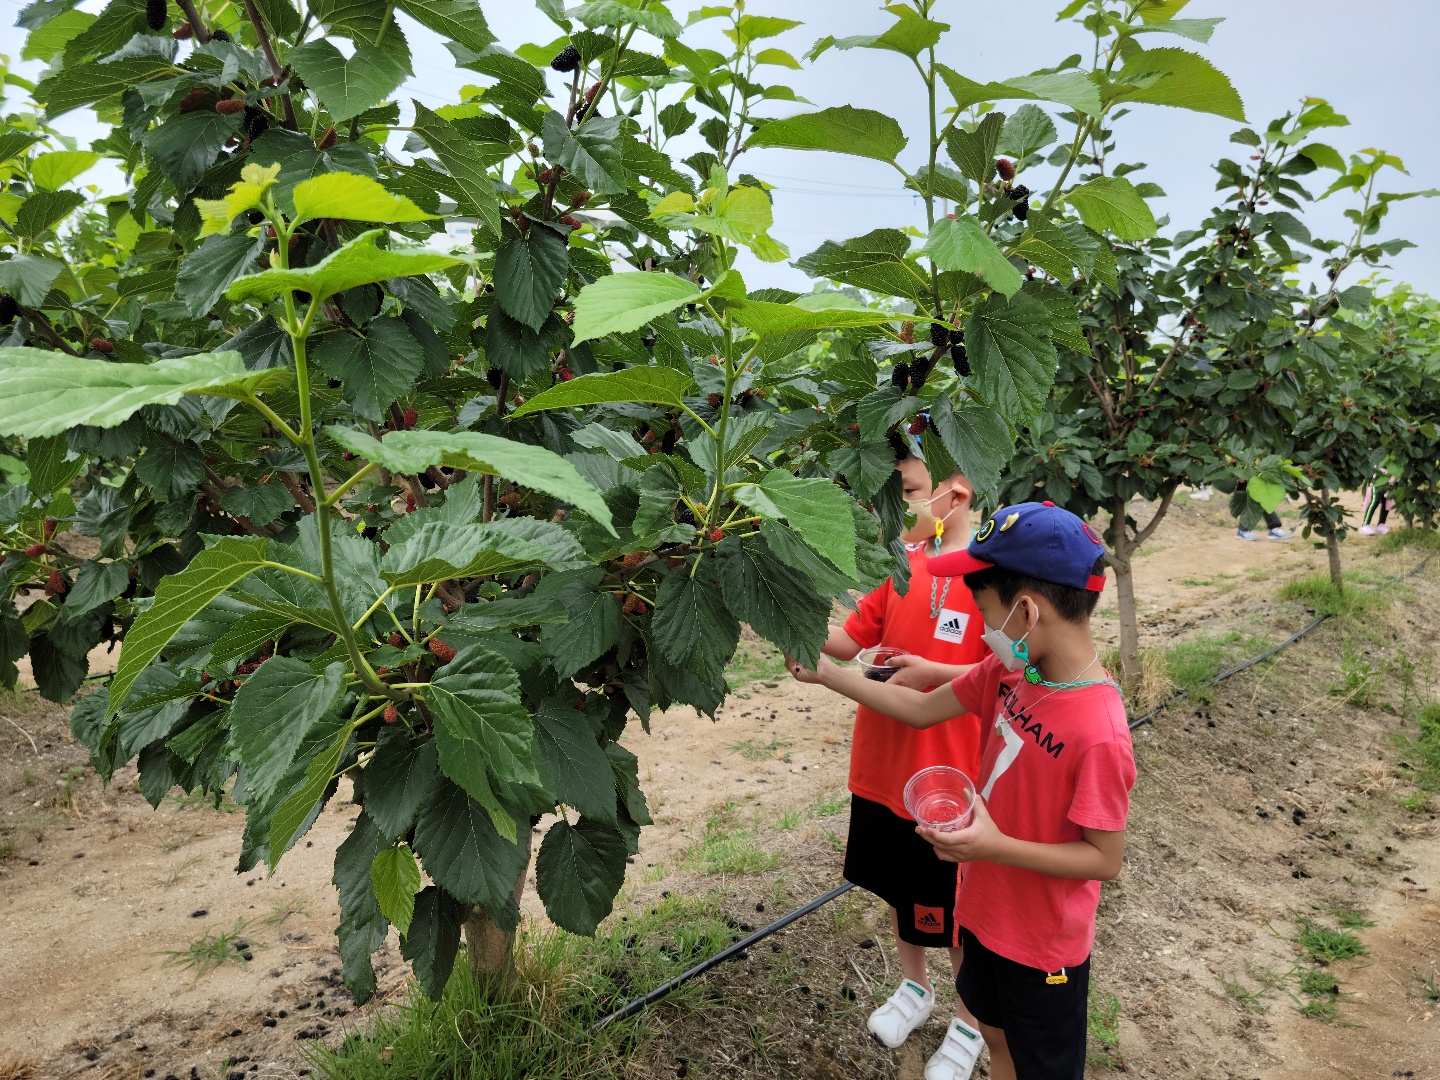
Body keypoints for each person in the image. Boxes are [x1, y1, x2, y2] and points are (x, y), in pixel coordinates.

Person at [789, 501, 1135, 1080]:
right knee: (999, 1043)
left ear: (1025, 612)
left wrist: (993, 847)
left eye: (985, 611)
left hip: (1041, 948)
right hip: (982, 913)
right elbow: (923, 709)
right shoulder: (1011, 674)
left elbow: (1105, 858)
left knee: (1038, 1065)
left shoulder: (1099, 732)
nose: (982, 625)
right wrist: (829, 675)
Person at [821, 448, 988, 1054]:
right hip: (887, 763)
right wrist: (791, 619)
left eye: (905, 494)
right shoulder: (900, 567)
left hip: (952, 770)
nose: (889, 511)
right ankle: (915, 988)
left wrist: (935, 669)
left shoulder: (990, 576)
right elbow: (849, 641)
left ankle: (971, 1020)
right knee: (900, 884)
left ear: (955, 495)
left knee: (959, 905)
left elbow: (1010, 670)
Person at [1359, 468, 1393, 535]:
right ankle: (1365, 525)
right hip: (1379, 476)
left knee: (1387, 501)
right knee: (1375, 500)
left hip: (1390, 476)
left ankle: (1381, 524)